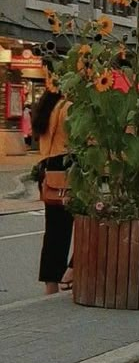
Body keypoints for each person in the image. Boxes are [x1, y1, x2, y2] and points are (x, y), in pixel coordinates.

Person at [32, 89, 74, 294]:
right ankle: (72, 271)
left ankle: (51, 286)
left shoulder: (46, 106)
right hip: (68, 167)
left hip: (48, 171)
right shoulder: (67, 108)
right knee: (90, 222)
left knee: (55, 231)